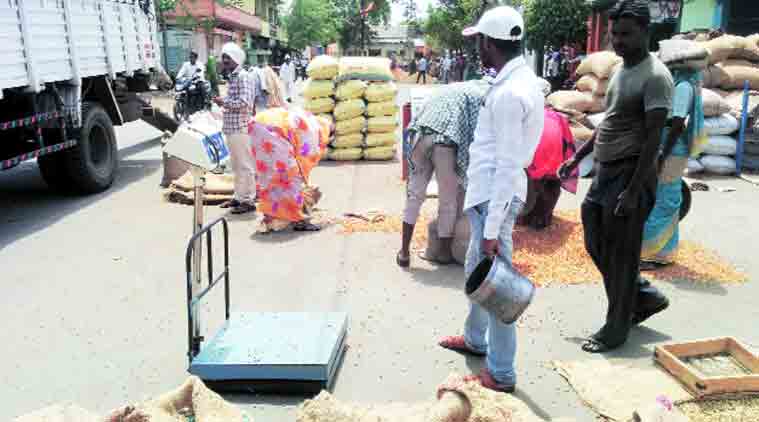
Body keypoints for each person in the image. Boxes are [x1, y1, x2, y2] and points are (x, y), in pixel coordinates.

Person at [438, 6, 545, 393]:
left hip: (494, 201)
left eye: (478, 41)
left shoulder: (511, 93)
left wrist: (494, 229)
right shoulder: (514, 81)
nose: (476, 49)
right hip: (487, 198)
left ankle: (502, 373)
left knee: (499, 288)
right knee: (476, 277)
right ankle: (474, 340)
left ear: (489, 42)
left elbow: (507, 165)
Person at [558, 0, 672, 353]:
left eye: (626, 34)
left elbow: (654, 140)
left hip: (631, 174)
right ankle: (644, 296)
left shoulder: (656, 77)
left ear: (644, 31)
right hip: (605, 173)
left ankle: (616, 326)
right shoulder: (621, 70)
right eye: (614, 34)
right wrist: (576, 158)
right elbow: (608, 123)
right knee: (595, 241)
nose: (618, 41)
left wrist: (634, 191)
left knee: (622, 254)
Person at [397, 80, 489, 268]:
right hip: (445, 143)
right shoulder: (479, 97)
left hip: (420, 136)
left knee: (414, 196)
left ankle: (404, 252)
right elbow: (475, 136)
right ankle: (445, 253)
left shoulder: (446, 89)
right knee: (448, 200)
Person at [640, 67, 707, 269]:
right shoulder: (681, 86)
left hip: (669, 148)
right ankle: (651, 252)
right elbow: (674, 123)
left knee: (666, 200)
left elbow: (675, 123)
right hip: (669, 148)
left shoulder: (681, 86)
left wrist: (662, 153)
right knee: (664, 200)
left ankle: (659, 253)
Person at [249, 108, 330, 233]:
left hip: (256, 127)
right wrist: (304, 182)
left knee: (268, 175)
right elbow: (304, 159)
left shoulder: (309, 120)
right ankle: (299, 220)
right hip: (273, 130)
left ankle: (270, 215)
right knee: (290, 177)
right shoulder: (315, 132)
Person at [213, 42, 258, 215]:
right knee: (236, 165)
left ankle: (248, 200)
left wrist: (223, 102)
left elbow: (245, 102)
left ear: (236, 59)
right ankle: (239, 197)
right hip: (232, 128)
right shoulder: (233, 76)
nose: (224, 60)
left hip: (240, 127)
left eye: (228, 57)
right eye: (223, 57)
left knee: (245, 165)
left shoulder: (243, 77)